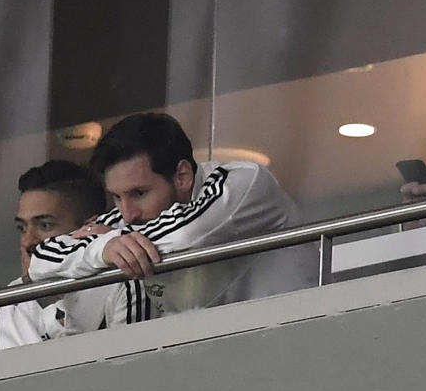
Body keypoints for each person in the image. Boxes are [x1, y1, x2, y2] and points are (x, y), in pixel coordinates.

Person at [28, 113, 315, 316]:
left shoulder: (243, 182)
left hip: (296, 339)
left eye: (139, 193)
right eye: (116, 197)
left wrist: (109, 242)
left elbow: (184, 235)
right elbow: (39, 264)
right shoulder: (131, 219)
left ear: (182, 176)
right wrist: (104, 247)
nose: (127, 213)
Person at [0, 160, 145, 349]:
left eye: (45, 225)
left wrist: (54, 311)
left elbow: (124, 365)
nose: (27, 242)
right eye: (22, 228)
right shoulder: (12, 297)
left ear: (88, 229)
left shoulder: (121, 280)